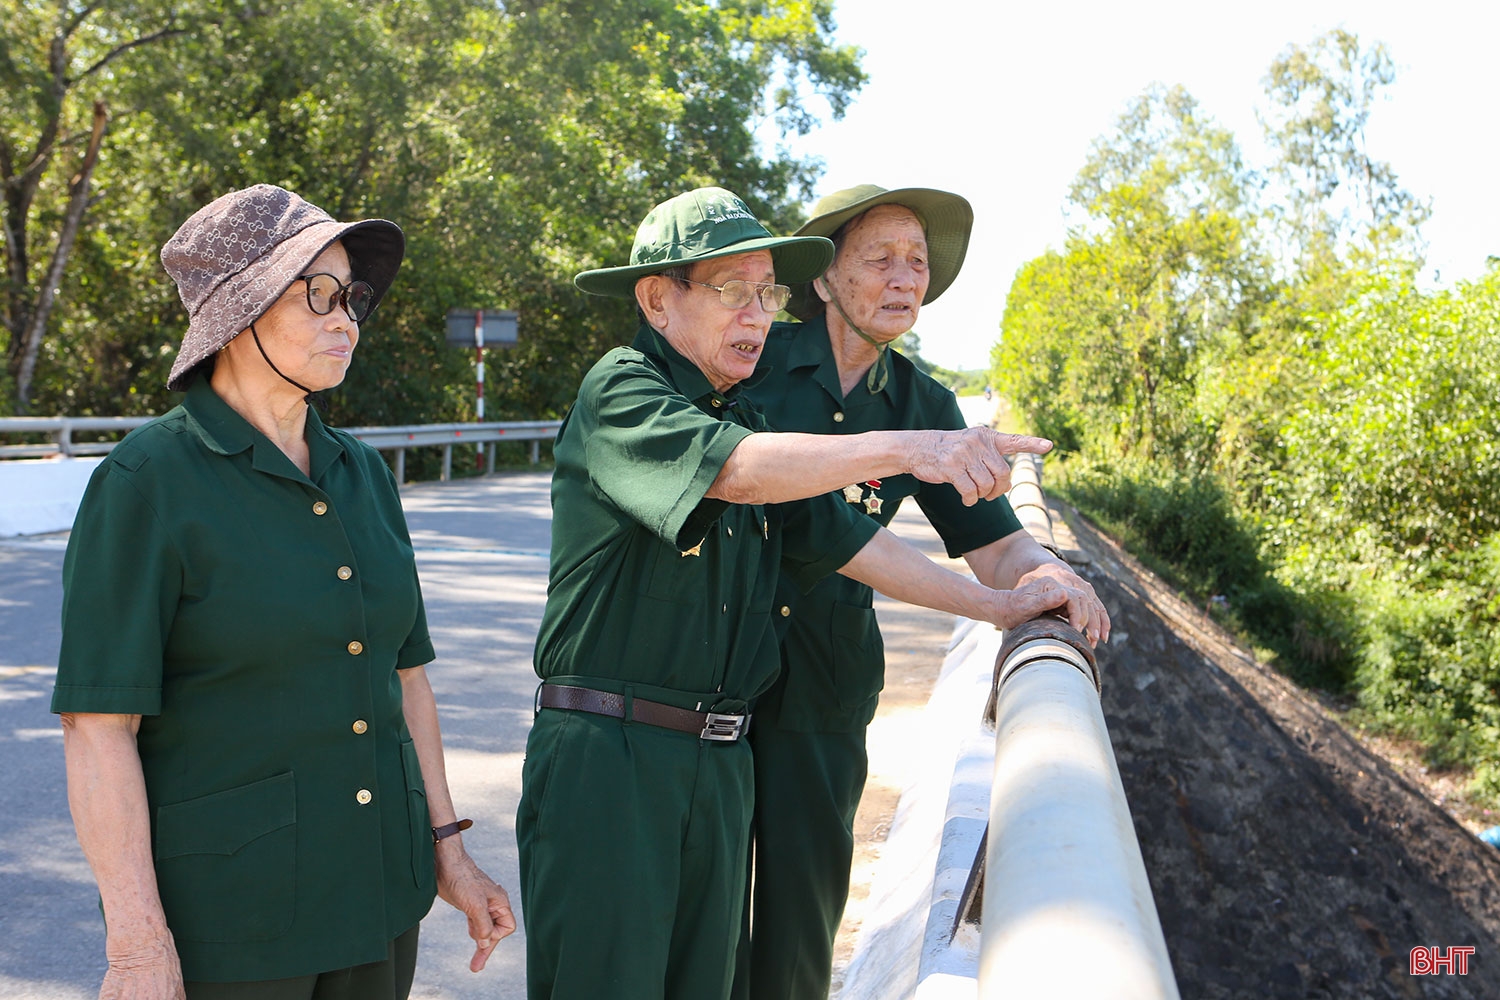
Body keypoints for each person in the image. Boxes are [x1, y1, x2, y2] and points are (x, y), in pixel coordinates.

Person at [515, 186, 1092, 1000]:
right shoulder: (633, 388)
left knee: (770, 962)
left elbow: (850, 540)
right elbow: (744, 474)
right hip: (619, 749)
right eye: (732, 292)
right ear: (656, 300)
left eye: (764, 294)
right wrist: (913, 450)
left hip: (733, 739)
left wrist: (1009, 602)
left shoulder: (760, 403)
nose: (755, 314)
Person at [51, 184, 515, 1000]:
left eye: (354, 298)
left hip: (379, 897)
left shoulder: (364, 474)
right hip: (234, 924)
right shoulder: (146, 483)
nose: (348, 320)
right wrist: (136, 945)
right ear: (240, 313)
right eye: (320, 295)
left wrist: (449, 851)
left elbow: (406, 679)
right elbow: (98, 729)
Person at [733, 184, 1112, 1000]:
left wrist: (1051, 575)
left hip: (822, 691)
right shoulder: (752, 361)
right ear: (826, 279)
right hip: (712, 676)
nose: (907, 279)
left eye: (919, 263)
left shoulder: (923, 404)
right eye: (881, 259)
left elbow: (996, 543)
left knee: (799, 922)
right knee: (706, 916)